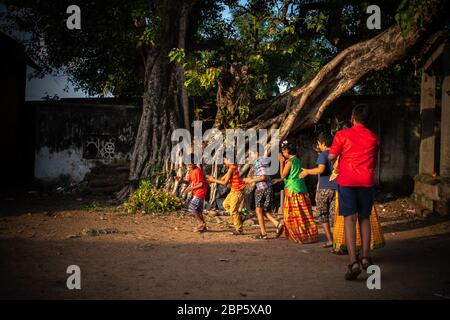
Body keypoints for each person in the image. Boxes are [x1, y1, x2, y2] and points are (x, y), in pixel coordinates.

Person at [328, 105, 380, 281]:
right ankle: (365, 256)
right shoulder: (373, 138)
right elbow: (375, 163)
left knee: (349, 220)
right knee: (364, 218)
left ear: (353, 118)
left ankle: (353, 262)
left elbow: (331, 157)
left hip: (347, 181)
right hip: (366, 181)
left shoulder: (342, 135)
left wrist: (339, 157)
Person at [272, 141, 318, 244]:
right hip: (301, 188)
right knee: (303, 212)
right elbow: (292, 175)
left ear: (287, 151)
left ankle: (298, 235)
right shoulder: (297, 160)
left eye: (283, 151)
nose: (282, 153)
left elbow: (283, 175)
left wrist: (281, 162)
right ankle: (308, 234)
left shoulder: (289, 162)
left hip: (292, 189)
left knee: (293, 214)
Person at [299, 132, 336, 248]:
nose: (318, 145)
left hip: (324, 188)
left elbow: (320, 170)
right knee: (334, 216)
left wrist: (307, 172)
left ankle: (330, 240)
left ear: (323, 143)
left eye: (319, 143)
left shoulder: (323, 154)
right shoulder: (337, 154)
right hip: (337, 188)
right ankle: (338, 240)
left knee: (323, 214)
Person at [243, 150, 283, 239]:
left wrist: (251, 180)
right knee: (263, 211)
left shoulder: (259, 162)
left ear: (257, 153)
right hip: (267, 188)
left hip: (262, 189)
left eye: (251, 154)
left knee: (259, 211)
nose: (250, 156)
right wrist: (252, 178)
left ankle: (264, 233)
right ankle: (277, 225)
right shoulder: (264, 161)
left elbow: (263, 177)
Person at [207, 155, 247, 235]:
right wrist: (212, 180)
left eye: (225, 160)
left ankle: (239, 229)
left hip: (237, 191)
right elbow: (222, 179)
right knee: (225, 205)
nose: (224, 162)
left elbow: (224, 183)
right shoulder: (230, 169)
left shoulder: (232, 168)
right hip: (233, 191)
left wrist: (213, 180)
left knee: (233, 211)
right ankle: (239, 217)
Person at [175, 163, 208, 232]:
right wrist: (180, 180)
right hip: (197, 192)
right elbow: (188, 182)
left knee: (192, 208)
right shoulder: (191, 171)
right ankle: (203, 226)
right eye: (187, 164)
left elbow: (201, 184)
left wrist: (191, 188)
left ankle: (201, 224)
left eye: (190, 164)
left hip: (200, 192)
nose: (188, 166)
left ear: (194, 164)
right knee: (198, 211)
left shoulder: (197, 171)